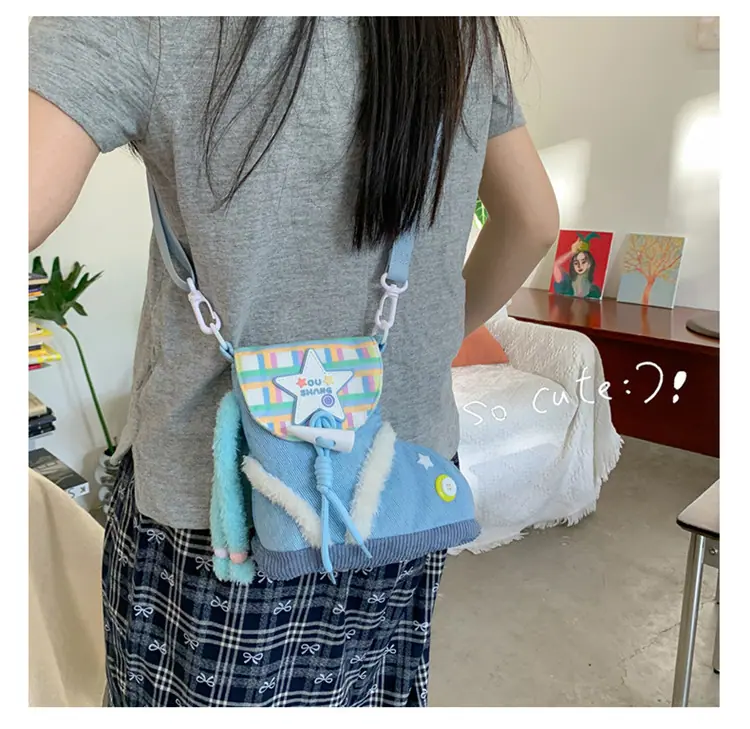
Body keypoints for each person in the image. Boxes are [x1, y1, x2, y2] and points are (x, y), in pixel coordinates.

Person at [29, 17, 558, 707]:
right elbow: (533, 221)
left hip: (217, 520)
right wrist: (416, 349)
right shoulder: (461, 27)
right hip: (402, 487)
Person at [552, 233, 602, 299]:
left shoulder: (594, 290)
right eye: (576, 263)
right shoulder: (567, 283)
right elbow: (556, 265)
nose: (579, 266)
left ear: (589, 264)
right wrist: (572, 252)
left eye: (583, 262)